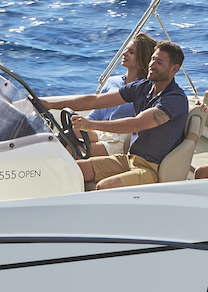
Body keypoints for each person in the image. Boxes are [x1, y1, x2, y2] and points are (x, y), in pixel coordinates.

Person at [40, 40, 189, 189]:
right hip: (129, 158)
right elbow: (95, 101)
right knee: (70, 170)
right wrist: (50, 105)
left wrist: (90, 125)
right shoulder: (142, 88)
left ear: (174, 69)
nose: (152, 65)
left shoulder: (175, 99)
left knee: (104, 186)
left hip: (152, 168)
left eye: (159, 62)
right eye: (152, 59)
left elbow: (136, 124)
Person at [85, 33, 157, 156]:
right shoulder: (112, 81)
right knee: (65, 136)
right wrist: (82, 124)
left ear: (142, 57)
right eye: (126, 50)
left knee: (74, 150)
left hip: (121, 140)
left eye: (131, 52)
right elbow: (97, 114)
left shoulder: (146, 89)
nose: (124, 54)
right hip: (102, 132)